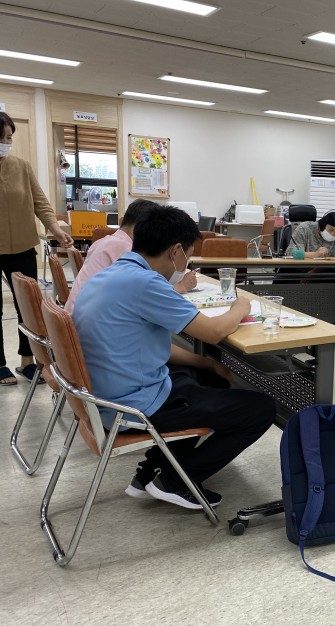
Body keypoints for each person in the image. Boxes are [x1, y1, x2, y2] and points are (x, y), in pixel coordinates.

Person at [72, 205, 274, 509]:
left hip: (107, 395)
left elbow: (145, 345)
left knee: (207, 377)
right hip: (131, 406)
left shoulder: (111, 274)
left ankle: (150, 472)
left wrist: (207, 363)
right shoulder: (145, 282)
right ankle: (176, 481)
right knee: (261, 408)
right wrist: (241, 307)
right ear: (175, 251)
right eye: (187, 256)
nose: (185, 264)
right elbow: (214, 332)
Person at [0, 112, 74, 386]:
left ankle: (28, 361)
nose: (7, 143)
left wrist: (55, 229)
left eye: (10, 138)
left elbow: (40, 202)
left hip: (21, 245)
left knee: (28, 306)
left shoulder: (21, 166)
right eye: (3, 138)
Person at [65, 199, 197, 313]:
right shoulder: (125, 249)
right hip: (86, 325)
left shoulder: (104, 241)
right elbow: (151, 294)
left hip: (78, 318)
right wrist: (181, 286)